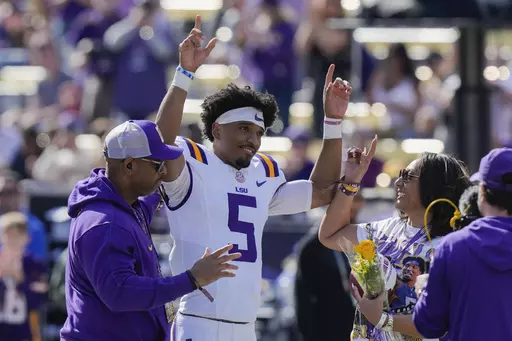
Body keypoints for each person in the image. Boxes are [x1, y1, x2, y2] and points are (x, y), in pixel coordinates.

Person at [155, 15, 351, 341]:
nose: (253, 139)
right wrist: (184, 74)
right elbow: (160, 143)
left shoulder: (264, 172)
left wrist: (332, 123)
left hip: (246, 327)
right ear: (216, 130)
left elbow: (321, 190)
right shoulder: (193, 162)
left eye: (259, 132)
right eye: (244, 128)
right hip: (198, 321)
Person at [60, 119, 242, 341]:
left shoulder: (126, 205)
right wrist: (192, 279)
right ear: (129, 166)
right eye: (158, 164)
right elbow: (120, 293)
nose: (164, 171)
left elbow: (151, 196)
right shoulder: (105, 224)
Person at [352, 148, 512, 341]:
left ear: (482, 192)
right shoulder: (453, 245)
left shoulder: (454, 246)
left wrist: (420, 293)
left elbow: (429, 325)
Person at [318, 150, 470, 340]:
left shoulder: (451, 245)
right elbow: (329, 235)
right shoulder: (384, 229)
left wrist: (382, 319)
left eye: (408, 176)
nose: (398, 183)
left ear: (433, 185)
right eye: (400, 175)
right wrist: (350, 182)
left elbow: (442, 322)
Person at [294, 192, 365, 341]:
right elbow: (303, 301)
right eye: (350, 211)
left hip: (356, 329)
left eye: (356, 212)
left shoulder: (359, 241)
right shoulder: (313, 248)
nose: (353, 217)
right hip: (326, 331)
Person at [0, 212, 48, 341]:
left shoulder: (34, 265)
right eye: (8, 235)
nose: (13, 240)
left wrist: (20, 279)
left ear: (27, 238)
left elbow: (37, 302)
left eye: (17, 235)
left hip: (24, 331)